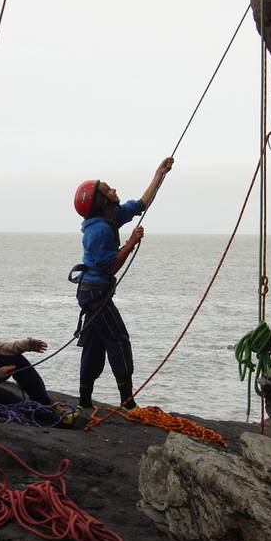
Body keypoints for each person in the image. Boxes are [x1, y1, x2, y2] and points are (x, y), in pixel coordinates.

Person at [73, 157, 174, 411]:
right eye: (107, 190)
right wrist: (130, 243)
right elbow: (110, 265)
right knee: (118, 340)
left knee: (96, 343)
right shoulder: (99, 231)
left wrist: (159, 174)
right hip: (95, 294)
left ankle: (85, 399)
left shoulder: (110, 217)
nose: (114, 190)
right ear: (100, 202)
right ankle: (127, 401)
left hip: (92, 292)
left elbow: (141, 204)